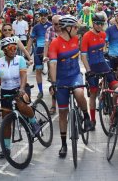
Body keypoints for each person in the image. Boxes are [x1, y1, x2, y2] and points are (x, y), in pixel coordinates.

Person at [48, 15, 92, 158]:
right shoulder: (55, 43)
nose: (77, 30)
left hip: (74, 75)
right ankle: (63, 144)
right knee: (63, 113)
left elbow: (88, 30)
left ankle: (86, 117)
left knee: (79, 92)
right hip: (61, 80)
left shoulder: (76, 39)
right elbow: (53, 64)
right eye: (75, 28)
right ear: (68, 28)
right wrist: (53, 83)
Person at [0, 37, 40, 158]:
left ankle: (33, 122)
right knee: (6, 121)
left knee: (22, 106)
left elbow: (23, 75)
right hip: (6, 91)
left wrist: (22, 88)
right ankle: (6, 148)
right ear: (4, 50)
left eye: (15, 47)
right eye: (11, 48)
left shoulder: (20, 60)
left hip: (20, 88)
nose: (14, 50)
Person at [81, 14, 118, 130]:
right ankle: (92, 121)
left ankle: (115, 112)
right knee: (93, 93)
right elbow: (83, 56)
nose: (100, 26)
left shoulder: (103, 34)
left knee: (116, 86)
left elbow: (102, 50)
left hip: (102, 63)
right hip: (92, 66)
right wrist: (88, 71)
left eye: (102, 24)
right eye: (97, 23)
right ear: (93, 23)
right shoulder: (86, 36)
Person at [26, 8, 51, 99]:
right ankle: (40, 91)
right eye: (41, 15)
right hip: (39, 50)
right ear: (39, 16)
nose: (43, 17)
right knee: (38, 71)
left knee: (52, 71)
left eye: (45, 15)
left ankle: (53, 86)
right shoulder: (36, 27)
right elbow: (30, 40)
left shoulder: (51, 26)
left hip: (49, 50)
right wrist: (27, 53)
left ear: (47, 16)